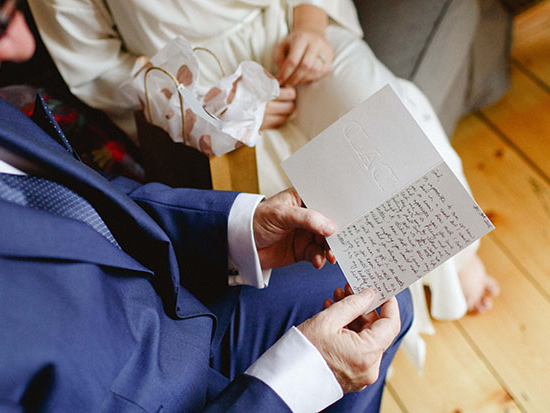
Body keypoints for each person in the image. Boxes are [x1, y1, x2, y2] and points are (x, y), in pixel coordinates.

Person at [0, 0, 412, 411]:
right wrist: (303, 379)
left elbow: (95, 203)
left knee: (384, 289)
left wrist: (241, 229)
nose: (22, 45)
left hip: (174, 292)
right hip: (181, 395)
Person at [29, 0, 498, 368]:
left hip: (286, 36)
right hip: (190, 89)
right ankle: (374, 312)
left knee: (389, 121)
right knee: (294, 207)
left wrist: (311, 27)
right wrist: (197, 109)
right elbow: (95, 63)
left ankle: (453, 262)